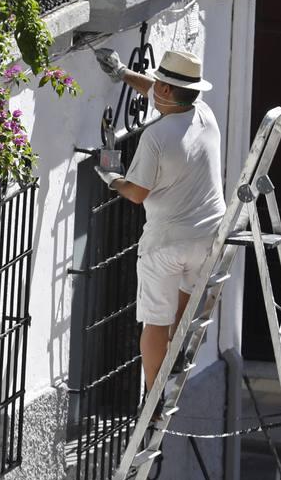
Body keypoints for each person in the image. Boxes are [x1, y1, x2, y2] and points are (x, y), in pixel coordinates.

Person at [94, 49, 224, 395]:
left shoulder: (156, 136)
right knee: (184, 304)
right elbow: (160, 91)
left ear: (167, 91)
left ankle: (152, 395)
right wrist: (123, 73)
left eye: (162, 84)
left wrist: (111, 178)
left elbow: (137, 193)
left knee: (155, 321)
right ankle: (178, 352)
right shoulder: (205, 115)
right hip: (209, 237)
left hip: (166, 243)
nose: (157, 89)